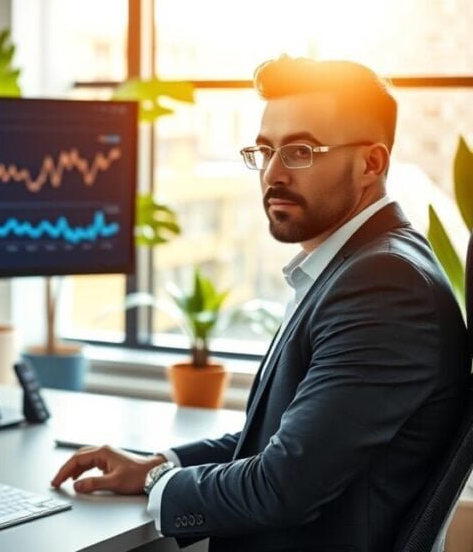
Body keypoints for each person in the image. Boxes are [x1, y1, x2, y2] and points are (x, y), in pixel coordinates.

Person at [51, 56, 470, 551]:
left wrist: (153, 488)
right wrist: (159, 465)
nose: (272, 174)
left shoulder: (385, 286)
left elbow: (282, 486)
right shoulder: (357, 266)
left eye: (300, 151)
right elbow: (280, 441)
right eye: (265, 151)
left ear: (371, 163)